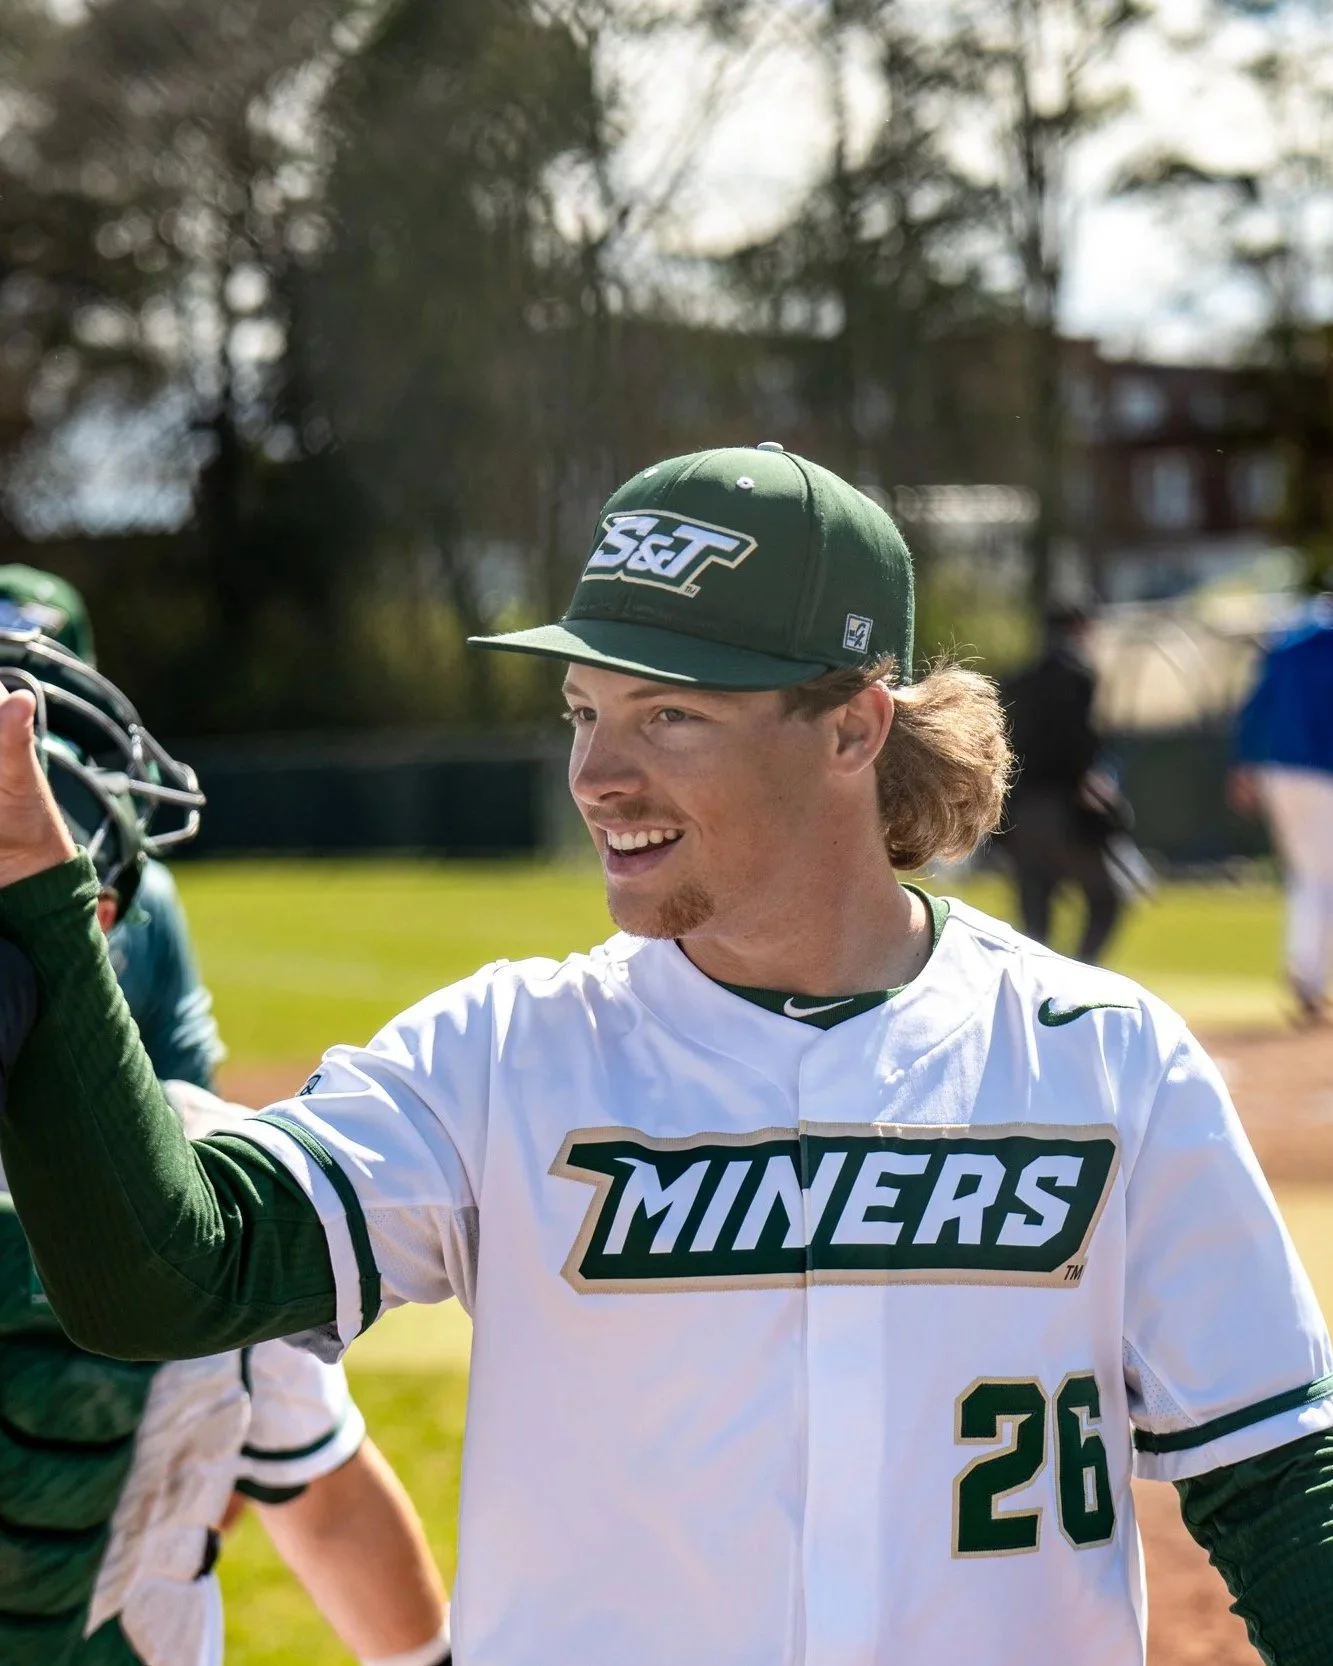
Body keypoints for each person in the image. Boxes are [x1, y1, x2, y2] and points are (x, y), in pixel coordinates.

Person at [0, 444, 1330, 1665]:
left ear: (853, 727)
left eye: (668, 715)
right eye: (583, 710)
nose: (597, 774)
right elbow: (166, 1277)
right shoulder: (502, 1055)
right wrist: (40, 901)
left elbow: (1281, 1486)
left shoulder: (1099, 1060)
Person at [0, 618, 452, 1666]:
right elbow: (320, 1493)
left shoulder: (187, 1166)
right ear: (100, 910)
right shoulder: (189, 1165)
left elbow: (323, 1492)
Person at [1002, 601, 1131, 964]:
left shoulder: (1018, 680)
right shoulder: (1078, 677)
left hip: (1020, 810)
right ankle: (1081, 974)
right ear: (1078, 628)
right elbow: (1080, 742)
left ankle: (1035, 985)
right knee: (1106, 898)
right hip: (1064, 807)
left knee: (1035, 913)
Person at [1229, 591, 1333, 1024]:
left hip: (1279, 770)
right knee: (1322, 876)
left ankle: (1306, 973)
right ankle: (1307, 976)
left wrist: (1244, 763)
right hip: (1322, 770)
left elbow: (1255, 708)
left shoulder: (1287, 640)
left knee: (1309, 875)